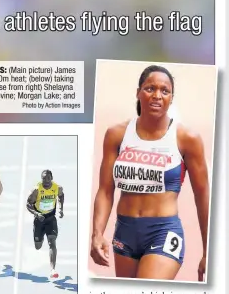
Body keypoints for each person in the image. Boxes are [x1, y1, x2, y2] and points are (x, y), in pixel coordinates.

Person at [90, 65, 210, 281]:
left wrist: (209, 250)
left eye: (165, 91)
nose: (157, 95)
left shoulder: (187, 139)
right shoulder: (116, 135)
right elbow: (106, 191)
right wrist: (97, 234)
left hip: (163, 231)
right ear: (138, 93)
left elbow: (202, 194)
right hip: (125, 231)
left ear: (172, 98)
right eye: (150, 88)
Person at [26, 169, 64, 279]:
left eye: (48, 178)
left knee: (52, 242)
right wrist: (37, 214)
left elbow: (61, 196)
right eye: (44, 178)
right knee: (38, 246)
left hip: (51, 219)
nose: (46, 180)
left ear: (51, 178)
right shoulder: (36, 190)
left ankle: (53, 269)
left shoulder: (57, 188)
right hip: (39, 220)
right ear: (41, 179)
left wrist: (61, 209)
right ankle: (39, 238)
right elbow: (28, 204)